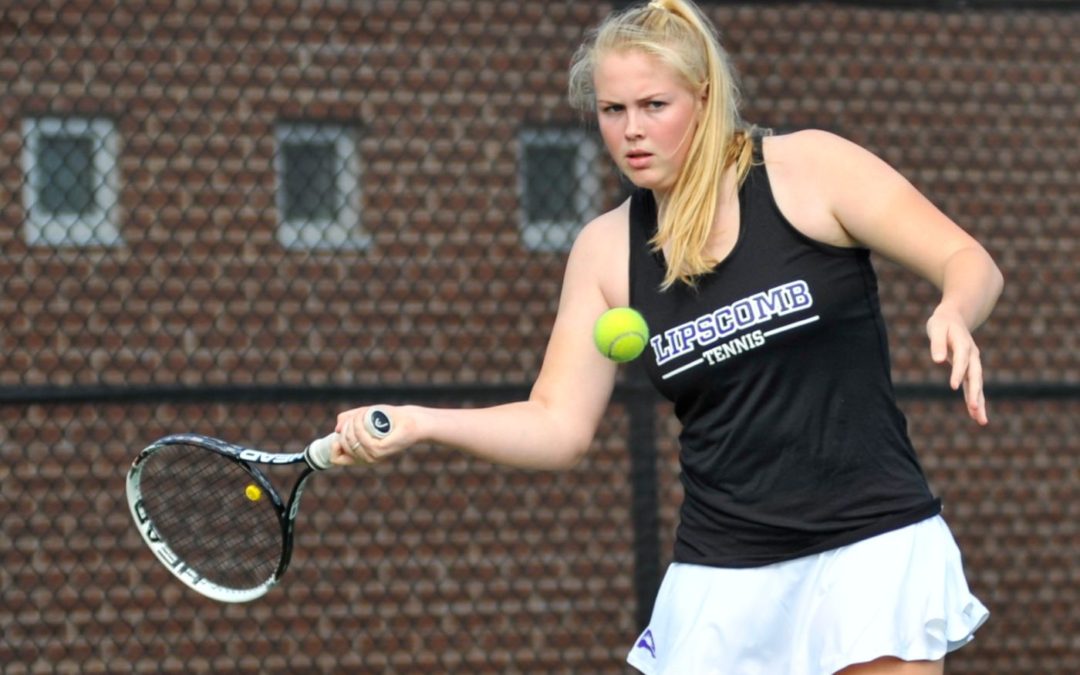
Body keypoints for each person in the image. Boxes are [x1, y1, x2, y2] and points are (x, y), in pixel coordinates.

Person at [332, 0, 1003, 672]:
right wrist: (422, 423)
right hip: (725, 570)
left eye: (655, 105)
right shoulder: (603, 251)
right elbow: (557, 423)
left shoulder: (809, 170)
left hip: (871, 544)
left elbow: (968, 260)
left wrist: (954, 310)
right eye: (612, 110)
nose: (631, 131)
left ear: (704, 97)